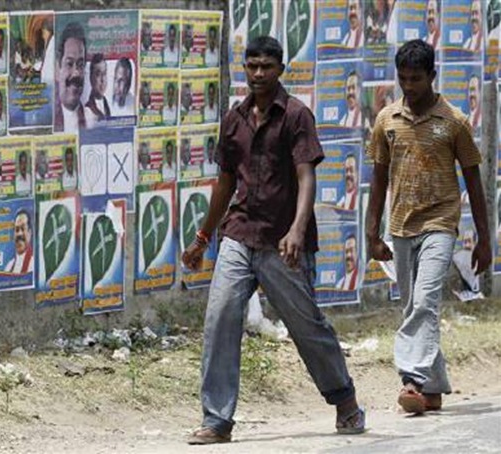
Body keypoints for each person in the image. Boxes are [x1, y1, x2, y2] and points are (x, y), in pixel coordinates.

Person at [182, 36, 365, 445]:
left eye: (266, 67)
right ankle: (217, 419)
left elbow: (306, 176)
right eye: (252, 67)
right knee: (219, 322)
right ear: (244, 69)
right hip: (239, 234)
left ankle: (345, 400)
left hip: (282, 242)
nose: (259, 74)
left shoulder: (297, 116)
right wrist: (202, 238)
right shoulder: (235, 118)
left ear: (280, 69)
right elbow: (225, 182)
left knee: (306, 326)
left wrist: (298, 229)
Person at [366, 39, 491, 414]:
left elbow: (474, 180)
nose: (409, 86)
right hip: (401, 225)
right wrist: (372, 234)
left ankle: (412, 381)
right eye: (403, 78)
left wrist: (485, 239)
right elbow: (378, 179)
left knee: (425, 302)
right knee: (411, 308)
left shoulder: (453, 121)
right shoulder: (387, 119)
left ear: (432, 76)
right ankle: (433, 389)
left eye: (416, 78)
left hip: (441, 223)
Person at [54, 21, 86, 133]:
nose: (76, 73)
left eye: (81, 65)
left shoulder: (93, 117)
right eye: (69, 64)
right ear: (58, 69)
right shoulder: (47, 116)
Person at [85, 53, 111, 128]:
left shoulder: (107, 106)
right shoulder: (87, 110)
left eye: (104, 73)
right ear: (91, 78)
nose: (102, 80)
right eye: (98, 74)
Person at [5, 210, 34, 274]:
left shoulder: (34, 263)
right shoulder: (8, 267)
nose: (19, 234)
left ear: (29, 233)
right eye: (17, 229)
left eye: (23, 228)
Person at [40, 18, 54, 86]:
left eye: (43, 33)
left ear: (49, 31)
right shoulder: (49, 43)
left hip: (50, 81)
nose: (43, 36)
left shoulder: (52, 43)